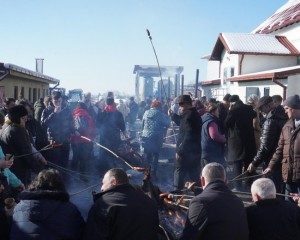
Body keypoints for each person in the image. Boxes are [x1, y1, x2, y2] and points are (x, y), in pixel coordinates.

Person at [84, 168, 159, 240]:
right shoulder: (148, 201)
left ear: (114, 182)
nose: (101, 188)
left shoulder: (104, 204)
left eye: (103, 183)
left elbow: (94, 236)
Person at [180, 163, 249, 240]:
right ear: (225, 181)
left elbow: (188, 237)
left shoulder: (200, 202)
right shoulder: (238, 201)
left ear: (202, 180)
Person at [11, 169, 85, 240]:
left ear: (36, 184)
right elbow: (81, 233)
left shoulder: (19, 207)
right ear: (60, 186)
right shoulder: (69, 209)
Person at [247, 96, 288, 192]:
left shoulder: (270, 121)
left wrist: (254, 162)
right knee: (280, 190)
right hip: (283, 159)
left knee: (272, 191)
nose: (261, 111)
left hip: (271, 161)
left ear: (268, 106)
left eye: (261, 108)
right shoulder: (285, 116)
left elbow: (265, 146)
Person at [264, 95, 300, 200]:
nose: (285, 111)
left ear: (294, 108)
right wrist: (270, 166)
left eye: (286, 108)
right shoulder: (287, 126)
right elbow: (279, 149)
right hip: (288, 175)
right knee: (289, 206)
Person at [169, 95, 202, 190]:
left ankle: (177, 195)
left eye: (181, 105)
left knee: (179, 172)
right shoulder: (190, 114)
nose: (179, 108)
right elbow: (182, 123)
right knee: (194, 175)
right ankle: (200, 194)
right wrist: (173, 116)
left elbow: (188, 135)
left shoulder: (190, 115)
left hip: (187, 152)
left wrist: (180, 151)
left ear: (187, 104)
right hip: (193, 152)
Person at [0, 105, 39, 185]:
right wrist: (41, 171)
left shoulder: (6, 127)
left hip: (10, 172)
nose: (26, 120)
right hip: (19, 172)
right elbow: (27, 154)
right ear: (18, 118)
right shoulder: (18, 130)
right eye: (23, 118)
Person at [224, 95, 257, 191]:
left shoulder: (233, 111)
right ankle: (248, 185)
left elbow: (226, 124)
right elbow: (254, 114)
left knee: (237, 165)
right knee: (249, 164)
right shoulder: (249, 109)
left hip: (236, 143)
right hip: (249, 141)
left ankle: (238, 187)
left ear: (232, 103)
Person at [41, 91, 76, 168]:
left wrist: (74, 131)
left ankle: (65, 179)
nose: (57, 103)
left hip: (65, 142)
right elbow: (43, 125)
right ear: (51, 100)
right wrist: (53, 114)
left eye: (59, 101)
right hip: (53, 143)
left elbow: (71, 124)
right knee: (55, 166)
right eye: (55, 101)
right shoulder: (46, 110)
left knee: (64, 165)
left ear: (62, 100)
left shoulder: (67, 110)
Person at [141, 100, 170, 177]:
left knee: (147, 155)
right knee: (155, 155)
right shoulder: (160, 114)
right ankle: (153, 173)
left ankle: (147, 172)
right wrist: (168, 117)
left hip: (146, 137)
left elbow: (142, 124)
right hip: (156, 137)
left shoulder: (146, 112)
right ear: (159, 107)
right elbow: (167, 124)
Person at [97, 95, 125, 170]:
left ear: (106, 103)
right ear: (114, 103)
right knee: (113, 155)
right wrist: (125, 135)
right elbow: (123, 127)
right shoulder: (118, 114)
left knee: (103, 154)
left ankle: (102, 172)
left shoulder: (102, 113)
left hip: (103, 138)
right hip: (115, 138)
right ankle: (113, 172)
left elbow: (97, 125)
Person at [71, 102, 95, 174]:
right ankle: (82, 176)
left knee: (75, 157)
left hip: (74, 140)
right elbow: (85, 129)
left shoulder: (73, 115)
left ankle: (72, 174)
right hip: (84, 140)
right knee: (83, 159)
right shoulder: (85, 115)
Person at [201, 102, 226, 168]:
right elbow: (214, 135)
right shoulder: (211, 121)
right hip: (212, 152)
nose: (218, 113)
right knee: (212, 171)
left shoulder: (205, 119)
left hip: (206, 150)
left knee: (205, 171)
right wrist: (224, 139)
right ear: (213, 112)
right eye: (217, 111)